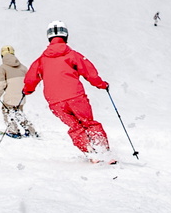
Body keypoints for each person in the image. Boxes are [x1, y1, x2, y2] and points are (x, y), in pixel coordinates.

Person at [22, 20, 113, 161]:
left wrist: (27, 91)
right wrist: (101, 84)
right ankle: (103, 151)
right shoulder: (73, 55)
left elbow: (30, 78)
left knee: (75, 126)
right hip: (76, 97)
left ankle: (90, 152)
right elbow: (89, 72)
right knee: (88, 122)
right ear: (66, 36)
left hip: (55, 102)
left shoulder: (41, 60)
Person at [0, 45, 37, 138]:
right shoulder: (23, 67)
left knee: (7, 111)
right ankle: (30, 130)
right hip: (21, 96)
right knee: (18, 113)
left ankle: (13, 131)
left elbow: (2, 84)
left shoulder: (3, 67)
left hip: (10, 96)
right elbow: (29, 81)